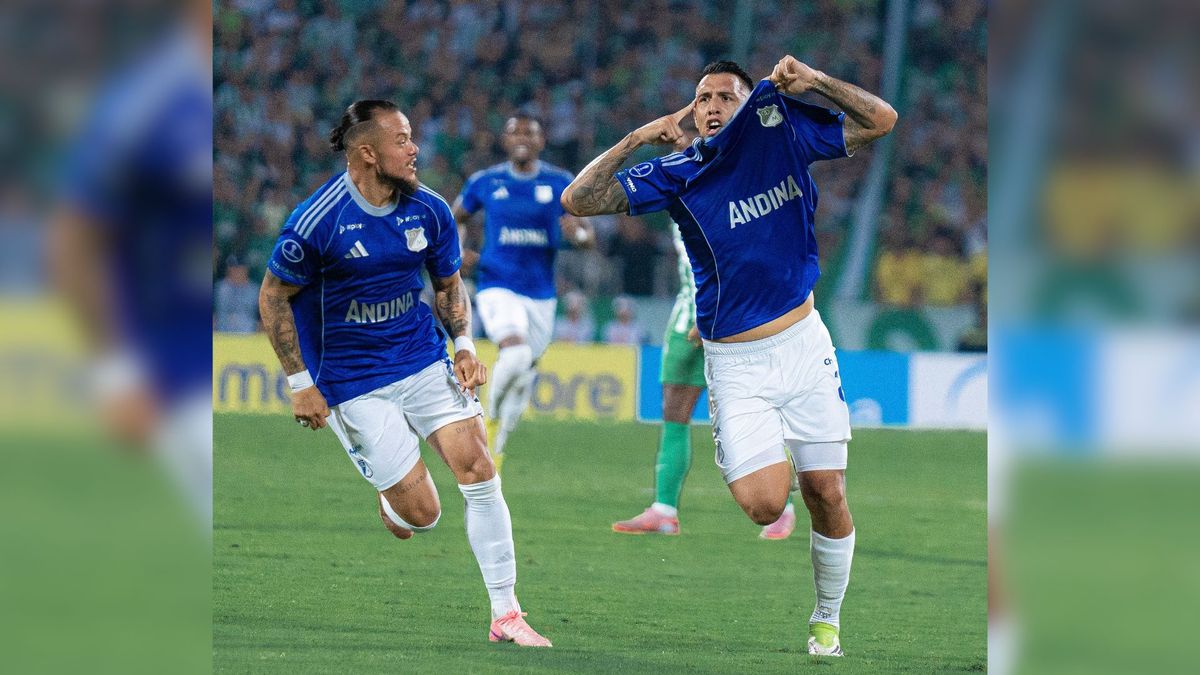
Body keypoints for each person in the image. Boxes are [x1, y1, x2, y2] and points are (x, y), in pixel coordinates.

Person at [562, 57, 897, 656]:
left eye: (725, 96)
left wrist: (815, 82)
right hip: (736, 364)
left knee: (828, 492)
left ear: (751, 104)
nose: (711, 106)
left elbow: (880, 120)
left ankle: (827, 620)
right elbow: (580, 199)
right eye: (701, 98)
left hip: (803, 344)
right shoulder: (679, 170)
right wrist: (639, 137)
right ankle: (772, 459)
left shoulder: (785, 131)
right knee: (766, 506)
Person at [258, 100, 551, 647]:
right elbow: (273, 298)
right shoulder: (315, 223)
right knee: (422, 515)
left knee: (480, 470)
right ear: (368, 153)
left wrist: (463, 345)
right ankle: (395, 496)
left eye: (412, 137)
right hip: (351, 379)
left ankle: (506, 613)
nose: (415, 149)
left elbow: (447, 285)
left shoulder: (432, 210)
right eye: (402, 140)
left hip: (420, 356)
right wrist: (301, 385)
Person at [612, 221, 797, 539]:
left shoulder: (724, 198)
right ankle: (664, 511)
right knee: (674, 411)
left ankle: (784, 505)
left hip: (728, 315)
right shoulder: (676, 192)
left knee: (744, 413)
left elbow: (739, 261)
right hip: (687, 313)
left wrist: (713, 315)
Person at [451, 114, 593, 473]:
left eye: (529, 132)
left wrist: (576, 233)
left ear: (541, 140)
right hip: (496, 284)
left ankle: (497, 443)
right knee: (514, 356)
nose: (521, 138)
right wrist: (456, 254)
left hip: (541, 294)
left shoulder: (560, 182)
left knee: (524, 373)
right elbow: (457, 218)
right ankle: (486, 420)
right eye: (514, 131)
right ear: (505, 138)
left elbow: (588, 238)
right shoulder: (486, 181)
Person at [214, 257, 260, 333]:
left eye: (240, 268)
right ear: (228, 269)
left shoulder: (255, 290)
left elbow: (263, 318)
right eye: (234, 268)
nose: (237, 271)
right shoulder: (218, 288)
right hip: (222, 335)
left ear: (246, 270)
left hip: (249, 336)